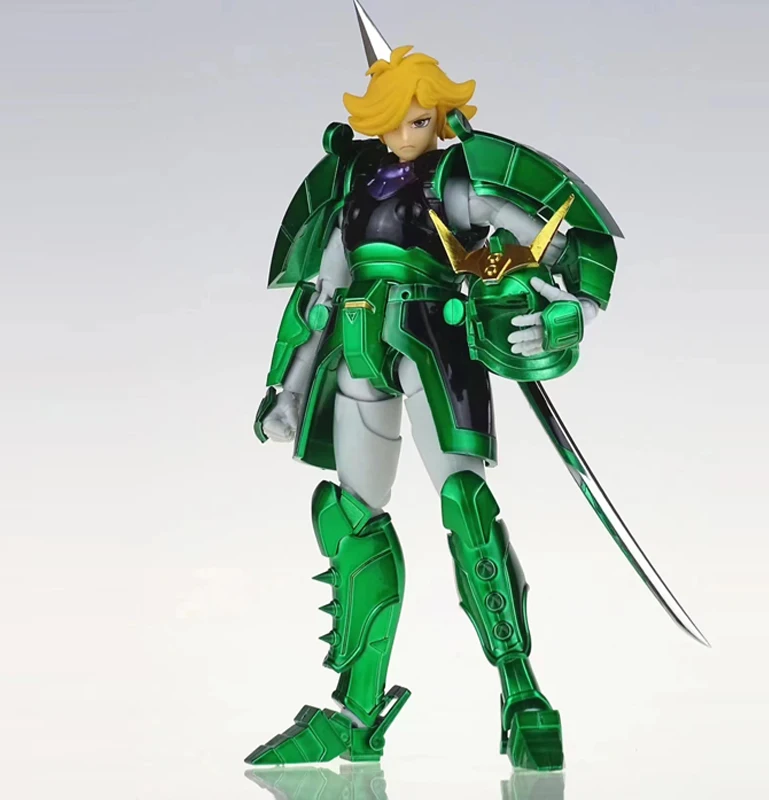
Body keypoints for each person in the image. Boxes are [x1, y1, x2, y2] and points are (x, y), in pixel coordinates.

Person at [246, 18, 621, 771]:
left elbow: (557, 238)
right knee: (353, 518)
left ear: (442, 117)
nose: (403, 134)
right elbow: (321, 296)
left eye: (417, 120)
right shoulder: (353, 188)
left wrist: (572, 310)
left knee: (465, 504)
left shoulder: (456, 182)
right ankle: (358, 713)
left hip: (435, 349)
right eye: (390, 122)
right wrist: (287, 386)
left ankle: (522, 692)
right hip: (360, 352)